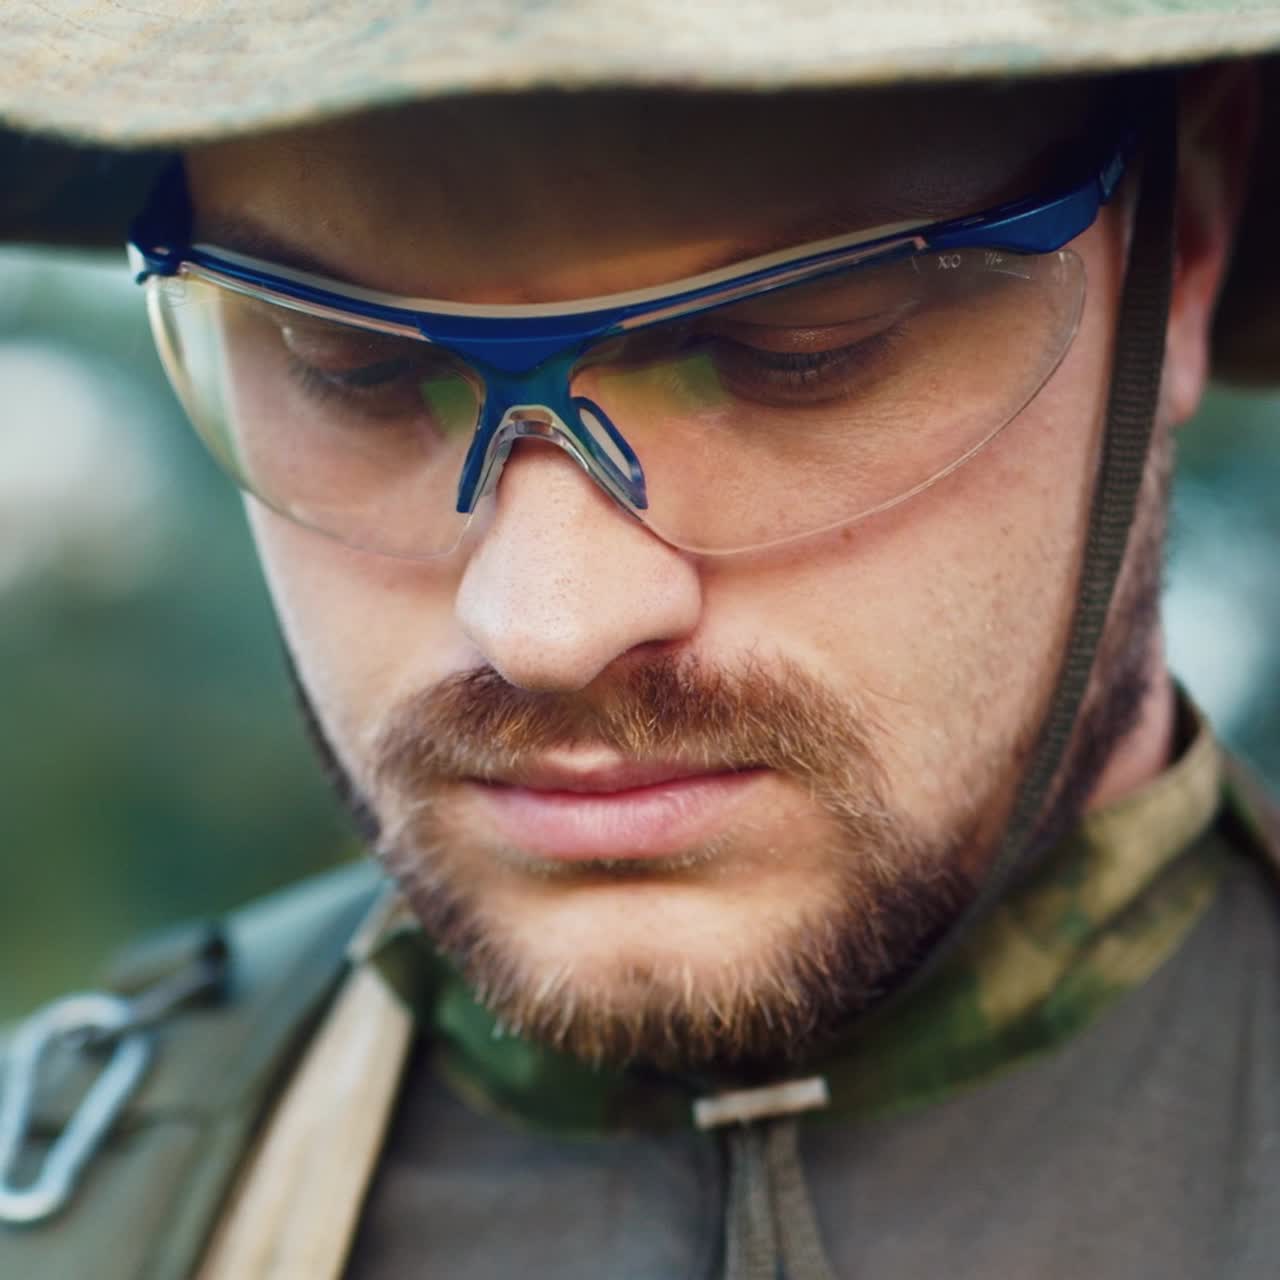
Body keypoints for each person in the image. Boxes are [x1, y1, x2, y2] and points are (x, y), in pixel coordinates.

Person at [2, 5, 1279, 1278]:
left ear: (1185, 245)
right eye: (356, 371)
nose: (546, 624)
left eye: (794, 348)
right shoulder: (70, 1204)